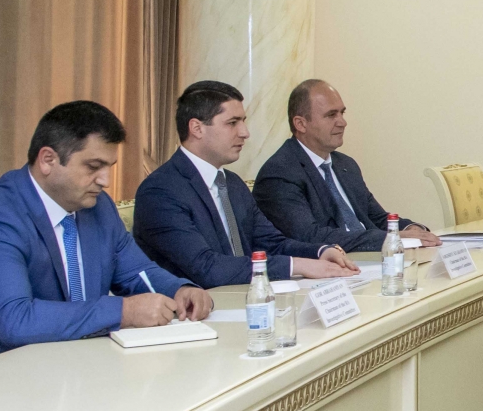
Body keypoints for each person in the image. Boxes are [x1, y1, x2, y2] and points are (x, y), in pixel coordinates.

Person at [0, 101, 212, 369]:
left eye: (109, 167)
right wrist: (123, 312)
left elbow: (135, 273)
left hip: (70, 367)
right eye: (93, 167)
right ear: (48, 160)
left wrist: (180, 290)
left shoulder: (97, 207)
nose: (105, 181)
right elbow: (16, 321)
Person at [133, 81, 361, 288]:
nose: (245, 133)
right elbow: (206, 267)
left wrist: (320, 251)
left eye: (243, 121)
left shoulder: (232, 183)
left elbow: (272, 243)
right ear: (197, 128)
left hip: (248, 297)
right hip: (196, 310)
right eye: (232, 123)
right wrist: (297, 266)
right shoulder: (160, 191)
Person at [254, 80, 441, 253]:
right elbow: (311, 236)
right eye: (331, 115)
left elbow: (376, 217)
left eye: (342, 113)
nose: (342, 122)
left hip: (370, 259)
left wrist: (412, 229)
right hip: (329, 266)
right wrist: (389, 238)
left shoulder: (346, 165)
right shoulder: (280, 174)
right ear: (301, 124)